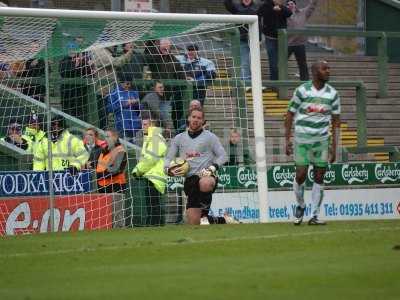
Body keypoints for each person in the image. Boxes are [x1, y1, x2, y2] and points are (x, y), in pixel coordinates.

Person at [285, 60, 340, 225]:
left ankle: (315, 215)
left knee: (319, 176)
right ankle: (301, 205)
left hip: (322, 141)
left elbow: (336, 121)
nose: (328, 71)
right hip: (302, 140)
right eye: (325, 68)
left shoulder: (333, 94)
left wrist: (335, 147)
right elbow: (289, 114)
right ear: (315, 71)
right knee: (301, 175)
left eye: (328, 68)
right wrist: (286, 139)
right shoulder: (302, 90)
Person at [165, 108, 238, 225]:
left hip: (207, 175)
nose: (196, 120)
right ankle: (225, 220)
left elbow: (223, 156)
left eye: (199, 118)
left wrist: (212, 168)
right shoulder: (179, 138)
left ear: (203, 121)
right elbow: (168, 158)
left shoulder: (210, 137)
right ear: (188, 118)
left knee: (205, 183)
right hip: (190, 181)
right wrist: (167, 169)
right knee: (194, 223)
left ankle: (204, 216)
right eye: (193, 117)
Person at [132, 115, 168, 226]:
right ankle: (154, 224)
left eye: (145, 124)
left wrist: (137, 170)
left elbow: (151, 158)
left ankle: (154, 224)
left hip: (155, 176)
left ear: (152, 125)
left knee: (153, 203)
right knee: (152, 203)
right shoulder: (151, 138)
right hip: (152, 175)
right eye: (142, 124)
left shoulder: (155, 138)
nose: (142, 126)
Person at [144, 39, 186, 130]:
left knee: (164, 116)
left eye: (167, 46)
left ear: (170, 47)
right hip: (154, 95)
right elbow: (148, 53)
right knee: (154, 117)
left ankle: (165, 134)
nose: (165, 48)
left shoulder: (173, 59)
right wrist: (150, 41)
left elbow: (180, 71)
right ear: (159, 46)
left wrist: (186, 78)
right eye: (163, 46)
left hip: (167, 94)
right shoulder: (155, 56)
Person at [224, 0, 261, 81]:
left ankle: (254, 81)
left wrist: (259, 38)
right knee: (245, 62)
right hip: (242, 39)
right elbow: (227, 4)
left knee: (254, 62)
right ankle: (246, 82)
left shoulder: (258, 7)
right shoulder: (236, 8)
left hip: (254, 39)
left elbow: (260, 22)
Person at [259, 0, 292, 80]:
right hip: (270, 38)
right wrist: (272, 10)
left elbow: (289, 13)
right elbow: (260, 14)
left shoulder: (282, 6)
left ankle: (282, 81)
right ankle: (274, 83)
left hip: (282, 39)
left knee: (281, 63)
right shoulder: (266, 5)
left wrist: (281, 7)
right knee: (273, 63)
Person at [59, 42, 92, 121]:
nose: (72, 51)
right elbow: (64, 73)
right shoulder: (63, 61)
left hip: (80, 92)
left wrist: (84, 63)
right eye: (70, 50)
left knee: (80, 113)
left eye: (74, 49)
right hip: (67, 92)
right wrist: (76, 66)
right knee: (67, 113)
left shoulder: (82, 60)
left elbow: (88, 73)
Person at [287, 0, 317, 81]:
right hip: (287, 44)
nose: (290, 5)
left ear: (295, 5)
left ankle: (305, 82)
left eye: (292, 3)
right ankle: (281, 80)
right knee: (281, 62)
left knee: (302, 64)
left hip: (300, 43)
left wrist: (313, 1)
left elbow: (311, 7)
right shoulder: (284, 14)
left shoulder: (303, 13)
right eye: (288, 4)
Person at [96, 129, 127, 193]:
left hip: (115, 186)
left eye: (108, 136)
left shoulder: (120, 150)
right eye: (105, 137)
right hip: (102, 186)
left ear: (115, 137)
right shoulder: (104, 150)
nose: (106, 139)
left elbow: (115, 170)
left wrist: (97, 176)